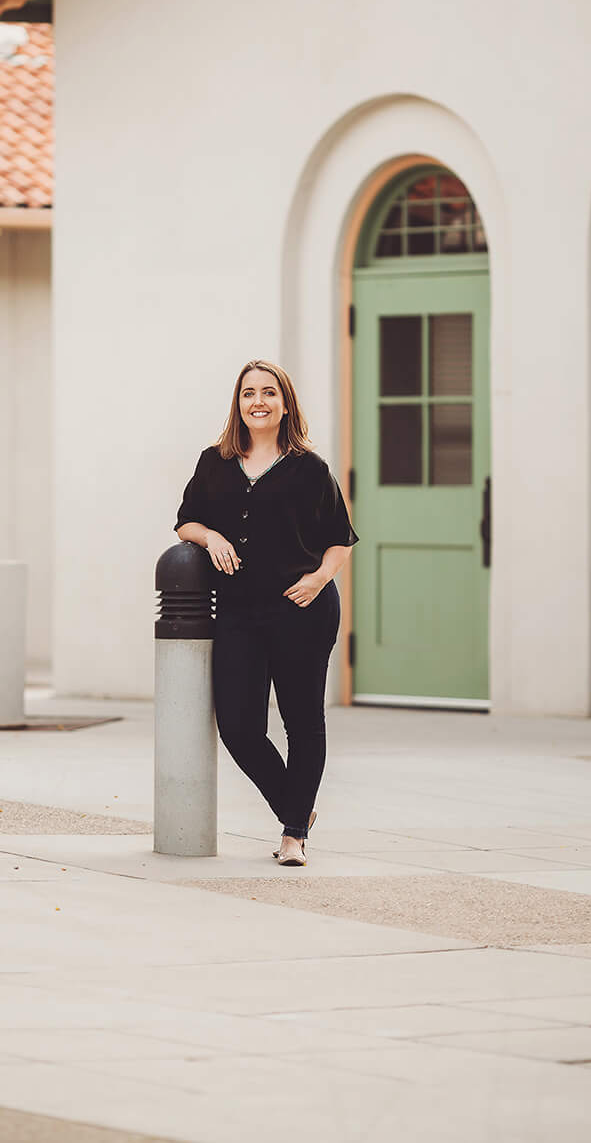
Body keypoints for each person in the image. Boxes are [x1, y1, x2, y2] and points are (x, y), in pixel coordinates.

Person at [175, 359, 357, 867]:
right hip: (237, 612)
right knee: (238, 726)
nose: (259, 401)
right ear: (238, 403)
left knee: (302, 721)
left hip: (302, 611)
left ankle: (293, 835)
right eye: (249, 393)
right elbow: (185, 521)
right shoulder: (214, 461)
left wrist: (319, 580)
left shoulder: (310, 468)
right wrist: (211, 536)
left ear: (285, 403)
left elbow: (340, 541)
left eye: (269, 393)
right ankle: (295, 806)